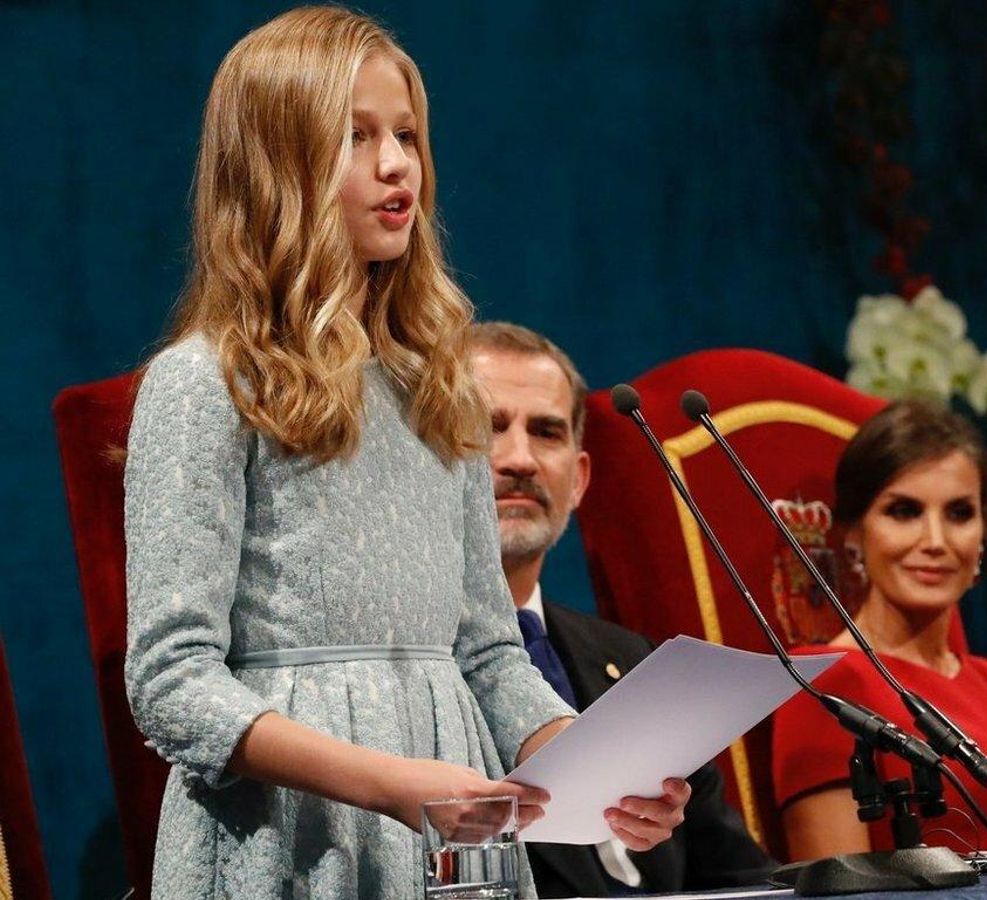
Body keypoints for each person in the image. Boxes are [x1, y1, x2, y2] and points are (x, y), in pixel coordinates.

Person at [122, 9, 685, 897]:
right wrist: (386, 782)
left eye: (408, 136)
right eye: (355, 137)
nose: (398, 165)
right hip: (290, 839)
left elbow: (489, 652)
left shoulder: (439, 388)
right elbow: (170, 681)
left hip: (445, 838)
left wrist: (591, 767)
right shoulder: (204, 383)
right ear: (276, 169)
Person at [467, 321, 775, 894]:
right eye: (488, 428)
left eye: (547, 432)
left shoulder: (631, 659)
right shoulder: (410, 669)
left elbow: (737, 875)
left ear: (579, 479)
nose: (520, 459)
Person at [769, 400, 987, 858]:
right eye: (904, 511)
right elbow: (837, 885)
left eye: (959, 513)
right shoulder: (821, 681)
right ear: (853, 535)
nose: (935, 541)